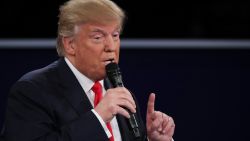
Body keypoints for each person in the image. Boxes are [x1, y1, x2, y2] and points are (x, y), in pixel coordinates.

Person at [1, 0, 175, 141]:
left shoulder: (120, 93)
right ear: (70, 44)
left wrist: (152, 140)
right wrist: (98, 118)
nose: (111, 47)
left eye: (115, 35)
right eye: (98, 37)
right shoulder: (32, 91)